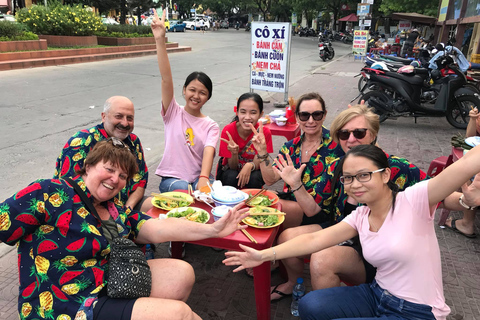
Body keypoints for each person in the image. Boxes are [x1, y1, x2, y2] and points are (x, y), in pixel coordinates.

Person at [224, 142, 480, 320]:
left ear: (386, 175)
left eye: (364, 175)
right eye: (347, 178)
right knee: (310, 305)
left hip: (417, 311)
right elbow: (315, 238)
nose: (354, 184)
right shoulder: (360, 215)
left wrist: (468, 197)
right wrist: (263, 255)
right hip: (377, 294)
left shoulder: (413, 200)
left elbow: (466, 163)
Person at [1, 139, 249, 320]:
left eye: (122, 176)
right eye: (109, 169)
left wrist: (214, 230)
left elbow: (156, 228)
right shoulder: (50, 192)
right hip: (64, 303)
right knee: (180, 315)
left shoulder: (113, 206)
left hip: (109, 280)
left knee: (181, 273)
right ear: (88, 167)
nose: (114, 179)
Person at [268, 105, 427, 301]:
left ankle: (328, 308)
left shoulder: (397, 168)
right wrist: (296, 184)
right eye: (344, 134)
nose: (351, 139)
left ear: (374, 133)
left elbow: (439, 193)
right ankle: (294, 284)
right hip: (340, 227)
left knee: (322, 260)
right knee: (287, 237)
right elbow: (314, 211)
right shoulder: (336, 166)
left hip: (374, 247)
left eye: (359, 132)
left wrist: (465, 200)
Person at [250, 92, 345, 229]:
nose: (311, 121)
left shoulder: (337, 143)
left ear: (324, 115)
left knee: (263, 212)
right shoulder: (291, 147)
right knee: (256, 204)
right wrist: (262, 152)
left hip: (321, 211)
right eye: (305, 115)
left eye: (317, 115)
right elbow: (270, 179)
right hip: (293, 202)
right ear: (297, 117)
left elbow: (363, 148)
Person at [151, 9, 219, 193]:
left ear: (208, 97)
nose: (196, 96)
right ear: (184, 90)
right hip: (173, 180)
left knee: (210, 194)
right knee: (185, 191)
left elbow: (209, 152)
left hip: (199, 178)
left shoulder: (211, 125)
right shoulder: (173, 112)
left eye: (202, 93)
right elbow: (166, 79)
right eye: (192, 90)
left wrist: (204, 179)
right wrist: (160, 40)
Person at [54, 96, 149, 212]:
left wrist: (128, 208)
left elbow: (141, 181)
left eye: (129, 118)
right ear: (104, 116)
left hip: (125, 207)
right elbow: (69, 190)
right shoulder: (82, 142)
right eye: (118, 116)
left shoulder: (134, 142)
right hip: (87, 210)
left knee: (169, 211)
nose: (125, 123)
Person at [218, 93, 273, 189]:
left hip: (253, 173)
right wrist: (234, 153)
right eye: (243, 112)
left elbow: (258, 161)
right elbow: (232, 167)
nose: (247, 117)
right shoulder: (228, 131)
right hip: (232, 171)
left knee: (255, 177)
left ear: (261, 114)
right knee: (231, 175)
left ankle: (254, 202)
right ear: (237, 112)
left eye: (253, 112)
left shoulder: (264, 133)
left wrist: (249, 165)